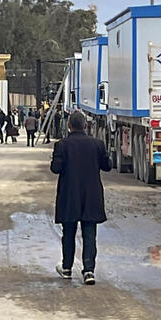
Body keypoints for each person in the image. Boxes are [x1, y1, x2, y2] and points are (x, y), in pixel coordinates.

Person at [50, 111, 111, 285]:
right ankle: (89, 271)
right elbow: (107, 166)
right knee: (89, 234)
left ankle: (67, 268)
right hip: (91, 195)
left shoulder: (62, 145)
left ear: (69, 125)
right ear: (85, 125)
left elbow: (56, 169)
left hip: (69, 195)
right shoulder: (97, 144)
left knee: (68, 232)